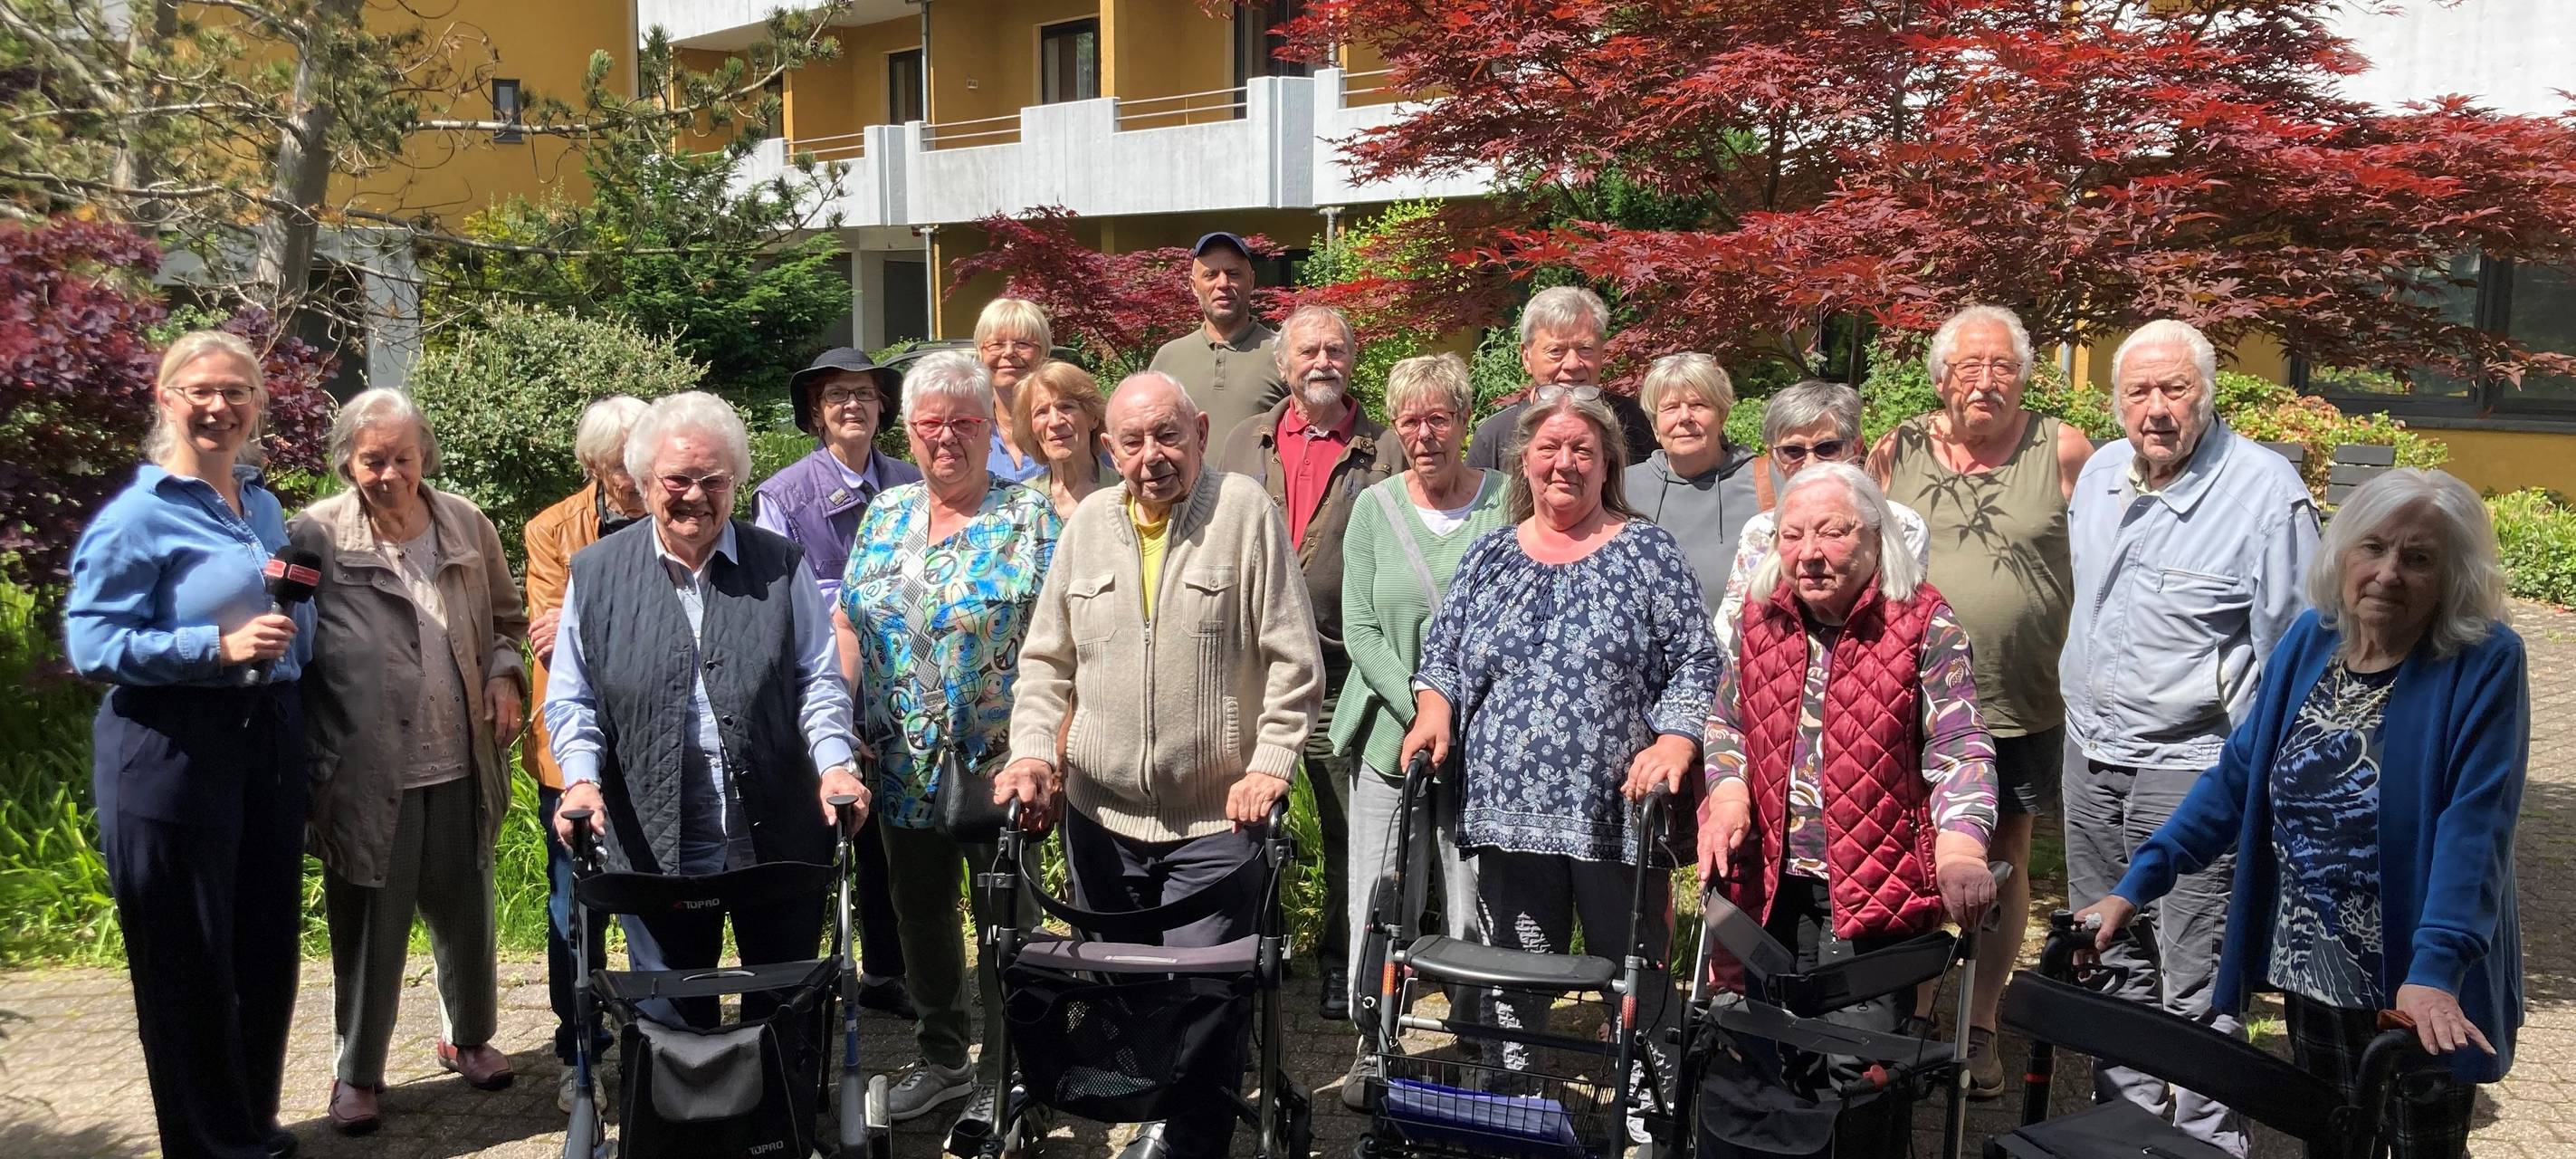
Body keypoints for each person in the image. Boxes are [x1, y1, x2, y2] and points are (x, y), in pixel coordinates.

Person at [2078, 468, 2524, 1159]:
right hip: (2313, 967)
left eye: (2419, 558)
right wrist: (2136, 885)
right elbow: (2235, 780)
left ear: (2452, 577)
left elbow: (2475, 830)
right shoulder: (2313, 640)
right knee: (2333, 1141)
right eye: (2373, 547)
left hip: (2421, 977)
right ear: (2342, 553)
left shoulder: (2483, 661)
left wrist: (2436, 971)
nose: (2388, 572)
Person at [997, 371, 1326, 1159]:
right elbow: (1045, 661)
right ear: (1109, 449)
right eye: (1134, 441)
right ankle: (1148, 1113)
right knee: (1122, 990)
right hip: (1101, 817)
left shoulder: (1245, 513)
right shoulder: (1087, 527)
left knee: (1204, 1000)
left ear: (1201, 432)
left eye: (1169, 435)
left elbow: (1294, 658)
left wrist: (1271, 762)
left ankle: (1189, 1141)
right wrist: (1034, 751)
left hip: (1217, 819)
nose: (1153, 455)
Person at [1399, 392, 1720, 1137]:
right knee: (1515, 970)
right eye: (1549, 449)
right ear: (1525, 463)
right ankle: (1511, 1095)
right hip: (1506, 812)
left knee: (1632, 966)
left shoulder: (1646, 552)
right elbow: (1443, 654)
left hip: (1614, 810)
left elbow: (1697, 660)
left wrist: (1675, 739)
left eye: (1582, 450)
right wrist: (1434, 708)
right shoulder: (1491, 554)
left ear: (1608, 465)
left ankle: (1650, 1103)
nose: (1564, 463)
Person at [2058, 320, 2321, 1154]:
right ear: (2116, 400)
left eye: (2175, 389)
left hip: (2196, 766)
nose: (2157, 408)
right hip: (2090, 754)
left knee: (2197, 975)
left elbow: (2295, 654)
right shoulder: (2101, 474)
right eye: (2138, 391)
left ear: (2207, 394)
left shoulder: (2266, 493)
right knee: (2107, 951)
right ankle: (2125, 1128)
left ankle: (2206, 1141)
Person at [1695, 462, 2000, 1159]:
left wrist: (1961, 845)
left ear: (1874, 537)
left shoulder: (1921, 620)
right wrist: (1729, 789)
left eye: (1832, 533)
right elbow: (1726, 722)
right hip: (1768, 884)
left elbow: (1959, 741)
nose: (1809, 552)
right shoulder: (1759, 616)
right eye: (1792, 535)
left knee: (1856, 1071)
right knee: (1766, 1059)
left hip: (1872, 888)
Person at [543, 391, 870, 1030]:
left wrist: (835, 764)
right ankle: (680, 1097)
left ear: (735, 483)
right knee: (670, 1017)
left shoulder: (780, 564)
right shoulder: (597, 572)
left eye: (714, 480)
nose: (696, 495)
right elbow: (573, 696)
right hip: (655, 836)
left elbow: (817, 678)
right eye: (678, 479)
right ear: (644, 481)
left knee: (786, 1010)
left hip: (775, 831)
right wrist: (580, 780)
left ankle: (780, 1097)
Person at [64, 330, 311, 1159]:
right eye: (200, 390)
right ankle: (208, 1146)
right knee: (188, 960)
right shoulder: (138, 517)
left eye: (237, 391)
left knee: (263, 949)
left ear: (257, 404)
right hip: (172, 746)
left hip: (266, 740)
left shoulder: (261, 504)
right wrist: (215, 647)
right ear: (166, 398)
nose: (219, 406)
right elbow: (92, 644)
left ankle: (248, 1125)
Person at [289, 388, 529, 1134]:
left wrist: (505, 674)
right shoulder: (315, 533)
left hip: (460, 758)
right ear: (347, 462)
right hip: (365, 769)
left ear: (424, 454)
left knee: (467, 913)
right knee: (370, 928)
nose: (388, 473)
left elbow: (507, 620)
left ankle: (469, 1039)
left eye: (401, 457)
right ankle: (358, 1073)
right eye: (372, 460)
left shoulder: (465, 521)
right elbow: (290, 640)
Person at [834, 350, 1061, 1132]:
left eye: (963, 422)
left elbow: (1067, 641)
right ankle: (942, 1061)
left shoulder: (1029, 518)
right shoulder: (885, 513)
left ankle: (1013, 1073)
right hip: (899, 763)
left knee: (1007, 921)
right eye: (930, 423)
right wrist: (839, 720)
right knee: (919, 915)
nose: (945, 438)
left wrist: (1053, 750)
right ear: (909, 431)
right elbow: (849, 622)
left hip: (1001, 766)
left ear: (989, 427)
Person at [1868, 303, 2090, 1096]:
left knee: (2003, 859)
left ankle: (1982, 1024)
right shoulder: (1897, 449)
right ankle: (1916, 1014)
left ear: (2024, 378)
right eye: (1969, 366)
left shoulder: (2061, 449)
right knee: (1912, 852)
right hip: (1906, 696)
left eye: (2002, 367)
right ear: (1941, 379)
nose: (1986, 381)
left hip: (2016, 695)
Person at [1213, 304, 1404, 1020]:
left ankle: (1342, 961)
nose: (1322, 361)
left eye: (1335, 349)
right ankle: (1251, 946)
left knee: (1347, 824)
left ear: (1353, 359)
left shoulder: (1383, 451)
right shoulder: (1244, 441)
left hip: (1343, 667)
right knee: (1242, 816)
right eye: (1308, 350)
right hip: (1249, 663)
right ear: (1283, 364)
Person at [1331, 351, 1507, 1104]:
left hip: (1483, 741)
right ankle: (1374, 1037)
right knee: (1380, 894)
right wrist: (1423, 710)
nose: (1424, 434)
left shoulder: (1507, 501)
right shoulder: (1374, 508)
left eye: (1439, 418)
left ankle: (1478, 1036)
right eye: (1409, 421)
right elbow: (1360, 628)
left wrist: (1458, 715)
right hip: (1388, 737)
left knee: (1475, 899)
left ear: (1465, 420)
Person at [752, 348, 919, 1017]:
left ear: (883, 407)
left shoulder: (911, 480)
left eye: (865, 393)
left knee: (890, 836)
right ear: (816, 413)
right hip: (817, 680)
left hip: (904, 678)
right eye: (837, 395)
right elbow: (772, 607)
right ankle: (807, 975)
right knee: (820, 827)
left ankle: (885, 971)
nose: (853, 405)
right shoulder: (783, 494)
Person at [522, 394, 649, 1113]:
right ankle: (578, 1049)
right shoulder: (552, 530)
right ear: (594, 467)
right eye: (621, 465)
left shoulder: (676, 513)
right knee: (574, 907)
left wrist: (588, 627)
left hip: (655, 745)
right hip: (572, 756)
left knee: (650, 899)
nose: (636, 476)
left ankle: (654, 1038)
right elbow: (551, 640)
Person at [1714, 381, 1929, 656]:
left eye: (1827, 448)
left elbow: (1901, 615)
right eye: (1793, 451)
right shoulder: (1760, 532)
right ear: (1775, 459)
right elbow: (1730, 630)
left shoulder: (1899, 525)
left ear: (1855, 448)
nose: (1810, 464)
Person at [1625, 352, 1760, 617]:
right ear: (1654, 425)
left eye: (1698, 404)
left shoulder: (1764, 483)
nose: (1685, 417)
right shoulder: (1621, 489)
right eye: (1670, 407)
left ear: (1722, 416)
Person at [1462, 285, 1656, 470]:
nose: (1573, 364)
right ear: (1526, 357)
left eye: (1585, 349)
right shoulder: (1494, 438)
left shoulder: (1634, 422)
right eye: (1556, 351)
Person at [1147, 231, 1287, 443]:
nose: (1223, 283)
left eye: (1233, 273)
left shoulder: (1283, 354)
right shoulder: (1168, 358)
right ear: (1194, 286)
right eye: (1211, 274)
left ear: (1251, 281)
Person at [1014, 359, 1113, 518]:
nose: (1055, 422)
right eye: (1041, 412)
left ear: (1093, 417)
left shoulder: (1124, 491)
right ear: (1031, 429)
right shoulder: (1022, 502)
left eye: (1066, 407)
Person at [975, 296, 1053, 482]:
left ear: (1043, 353)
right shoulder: (969, 429)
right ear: (980, 353)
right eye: (996, 344)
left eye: (1023, 344)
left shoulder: (1065, 424)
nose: (1009, 352)